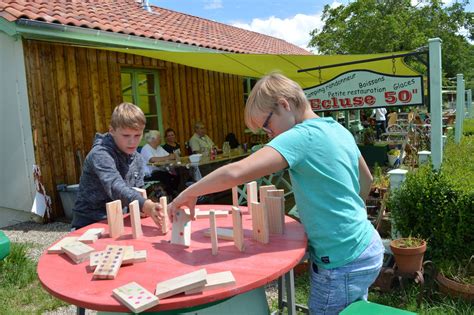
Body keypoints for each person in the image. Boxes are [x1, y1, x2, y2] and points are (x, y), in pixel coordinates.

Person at [169, 73, 383, 314]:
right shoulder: (336, 128)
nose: (270, 136)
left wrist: (191, 191)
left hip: (340, 262)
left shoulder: (300, 136)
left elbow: (237, 172)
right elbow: (366, 180)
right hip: (366, 245)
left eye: (268, 127)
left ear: (284, 105)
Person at [71, 103, 163, 230]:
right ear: (112, 131)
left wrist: (142, 208)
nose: (132, 142)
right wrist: (146, 205)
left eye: (137, 135)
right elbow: (115, 185)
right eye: (126, 136)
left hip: (120, 220)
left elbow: (137, 191)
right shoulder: (100, 154)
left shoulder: (136, 157)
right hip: (90, 222)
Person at [141, 130, 179, 197]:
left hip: (160, 170)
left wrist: (170, 156)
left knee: (177, 174)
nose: (161, 139)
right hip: (149, 174)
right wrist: (168, 157)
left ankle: (174, 192)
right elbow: (153, 159)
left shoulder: (159, 147)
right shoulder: (146, 148)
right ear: (153, 139)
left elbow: (170, 156)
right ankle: (172, 194)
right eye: (159, 137)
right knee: (165, 176)